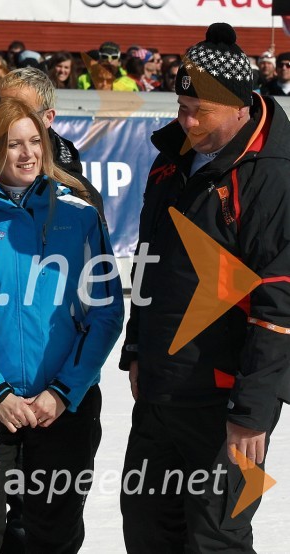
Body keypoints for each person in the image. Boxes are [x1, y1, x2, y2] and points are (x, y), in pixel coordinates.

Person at [119, 23, 290, 553]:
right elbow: (151, 264)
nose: (185, 118)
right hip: (162, 389)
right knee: (146, 525)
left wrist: (252, 413)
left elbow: (280, 302)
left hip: (227, 404)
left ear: (240, 106)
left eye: (200, 110)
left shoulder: (273, 175)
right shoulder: (171, 158)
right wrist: (137, 348)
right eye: (181, 103)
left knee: (217, 537)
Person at [0, 96, 123, 554]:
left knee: (49, 539)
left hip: (63, 411)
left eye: (35, 141)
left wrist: (62, 392)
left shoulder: (79, 215)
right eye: (14, 144)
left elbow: (107, 313)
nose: (28, 153)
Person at [0, 67, 106, 222]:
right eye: (4, 111)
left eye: (24, 112)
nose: (12, 120)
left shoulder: (80, 194)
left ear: (48, 117)